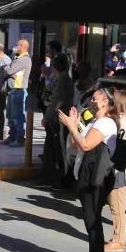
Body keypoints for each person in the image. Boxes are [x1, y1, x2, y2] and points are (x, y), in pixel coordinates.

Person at [58, 88, 119, 252]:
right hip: (87, 174)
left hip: (97, 178)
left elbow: (85, 144)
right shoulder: (95, 121)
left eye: (95, 99)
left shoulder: (106, 122)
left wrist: (71, 126)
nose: (91, 102)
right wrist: (75, 125)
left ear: (104, 103)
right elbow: (79, 143)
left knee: (93, 221)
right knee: (88, 218)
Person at [105, 89, 126, 252]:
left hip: (121, 168)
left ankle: (119, 240)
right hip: (121, 166)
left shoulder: (124, 122)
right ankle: (116, 236)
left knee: (117, 204)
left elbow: (121, 146)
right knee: (115, 203)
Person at [41, 52, 73, 187]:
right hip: (57, 118)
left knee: (60, 149)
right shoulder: (63, 79)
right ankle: (53, 176)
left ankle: (62, 178)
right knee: (53, 148)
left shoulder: (63, 80)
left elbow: (57, 102)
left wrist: (48, 117)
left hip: (58, 119)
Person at [4, 39, 33, 147]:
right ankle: (12, 137)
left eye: (17, 45)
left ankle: (20, 139)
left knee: (18, 116)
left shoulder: (24, 59)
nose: (15, 47)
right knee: (11, 115)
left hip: (19, 90)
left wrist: (8, 69)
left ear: (21, 46)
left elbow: (9, 70)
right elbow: (10, 70)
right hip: (13, 90)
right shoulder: (18, 58)